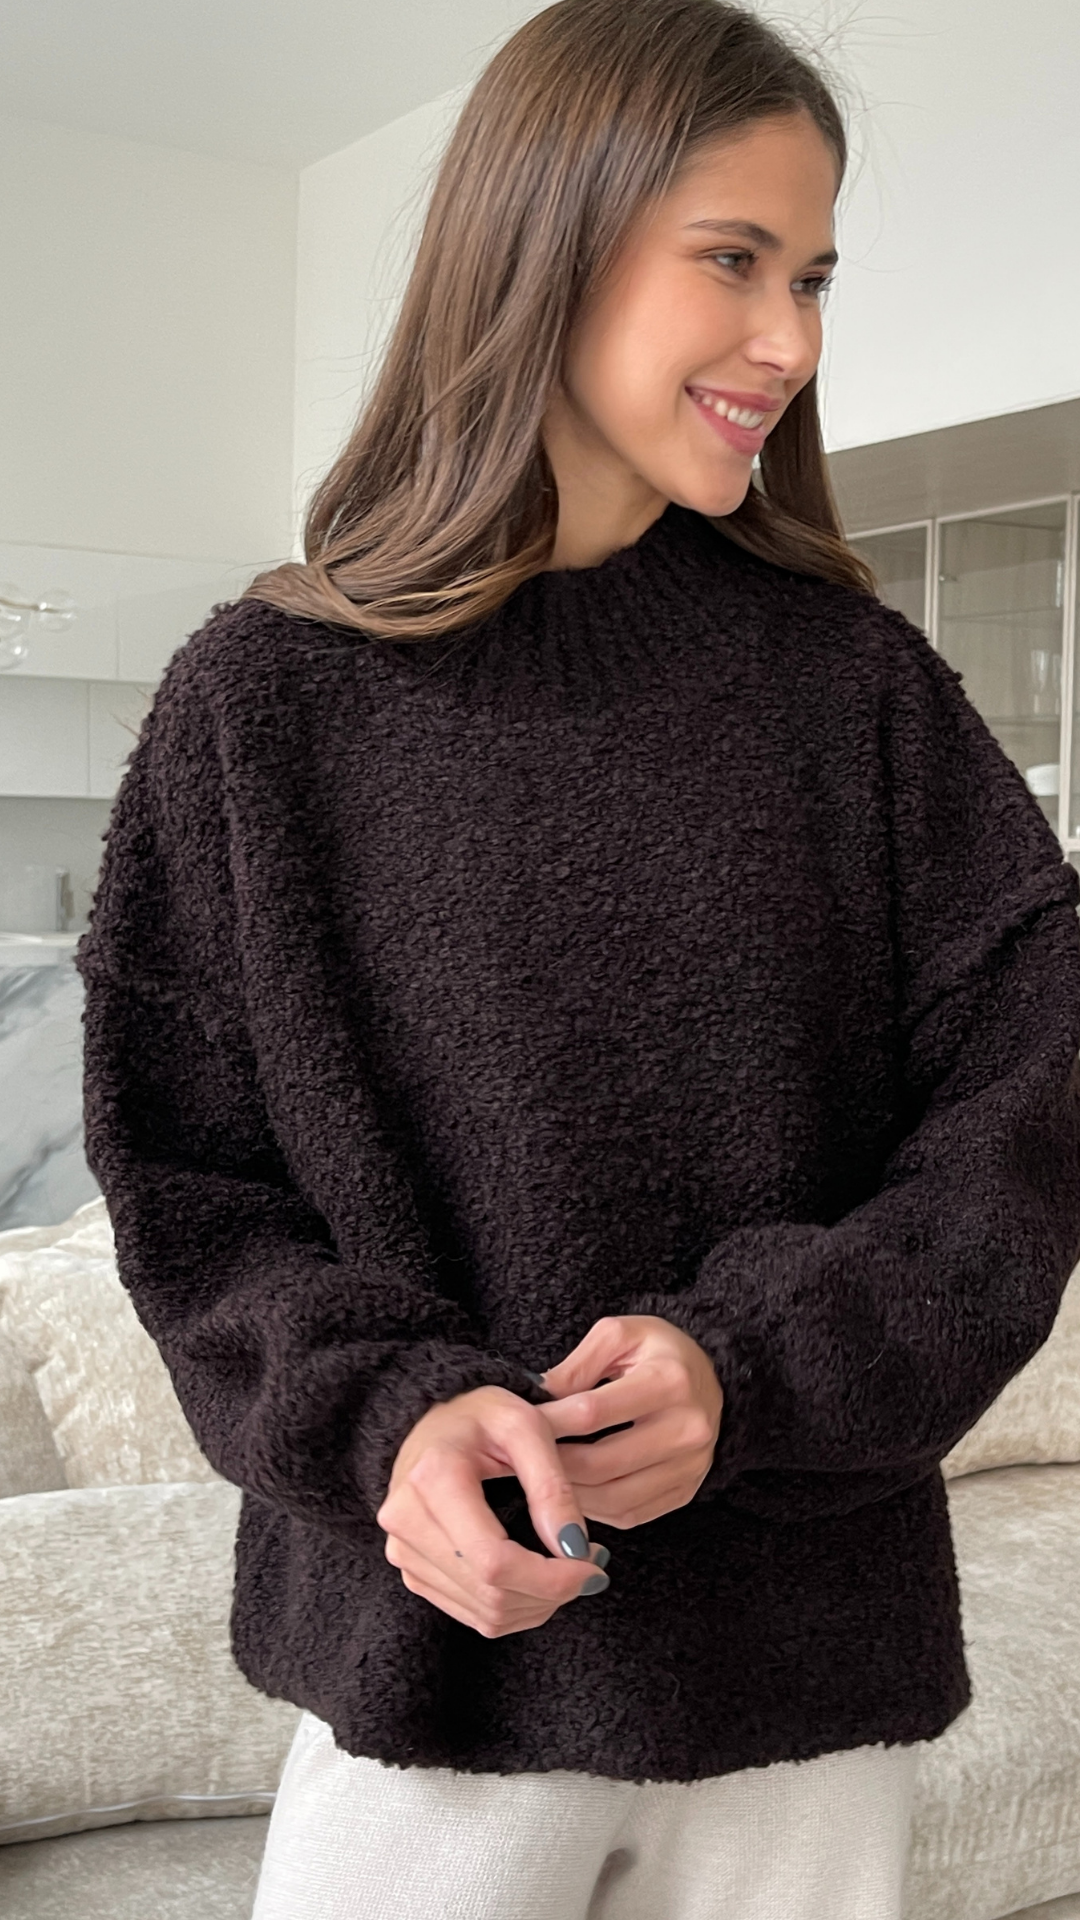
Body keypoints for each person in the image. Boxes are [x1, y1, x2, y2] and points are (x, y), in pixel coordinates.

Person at [74, 1, 1080, 1916]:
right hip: (428, 1677)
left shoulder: (859, 693)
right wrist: (387, 1415)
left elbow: (1030, 1115)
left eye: (813, 278)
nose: (791, 341)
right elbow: (189, 1191)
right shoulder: (261, 706)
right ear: (548, 238)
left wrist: (752, 1368)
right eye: (733, 260)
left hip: (805, 1701)